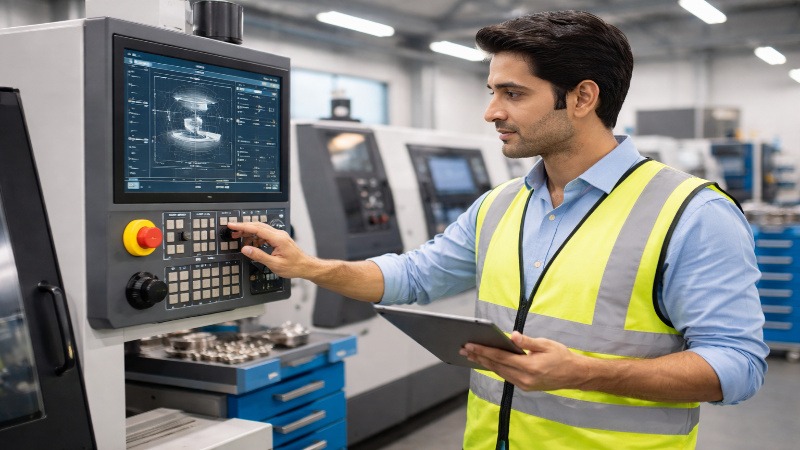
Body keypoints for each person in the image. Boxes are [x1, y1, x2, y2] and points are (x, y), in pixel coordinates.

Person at [228, 10, 768, 450]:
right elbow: (415, 276)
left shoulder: (691, 213)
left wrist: (586, 372)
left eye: (512, 94)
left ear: (583, 98)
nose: (490, 112)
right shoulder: (501, 205)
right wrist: (308, 267)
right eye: (492, 91)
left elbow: (737, 366)